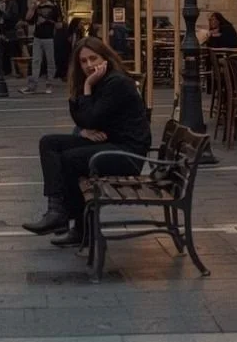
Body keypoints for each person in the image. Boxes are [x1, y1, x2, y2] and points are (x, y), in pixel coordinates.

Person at [22, 37, 152, 242]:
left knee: (71, 159)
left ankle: (78, 226)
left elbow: (91, 118)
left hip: (127, 153)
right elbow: (83, 119)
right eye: (83, 61)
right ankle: (56, 211)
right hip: (110, 142)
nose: (89, 65)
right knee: (49, 143)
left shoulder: (115, 82)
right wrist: (82, 130)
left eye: (94, 58)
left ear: (105, 58)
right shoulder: (99, 81)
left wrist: (88, 87)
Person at [21, 0, 62, 94]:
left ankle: (49, 84)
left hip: (48, 37)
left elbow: (59, 25)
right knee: (36, 60)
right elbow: (28, 19)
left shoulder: (53, 8)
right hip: (37, 37)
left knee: (50, 61)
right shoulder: (37, 7)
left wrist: (48, 21)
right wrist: (32, 8)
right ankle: (33, 84)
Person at [0, 0, 20, 75]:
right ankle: (9, 69)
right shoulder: (4, 3)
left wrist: (2, 13)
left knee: (10, 50)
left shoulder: (12, 4)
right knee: (7, 51)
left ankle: (12, 70)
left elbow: (11, 16)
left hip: (9, 30)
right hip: (5, 29)